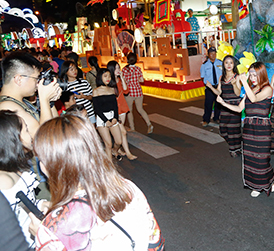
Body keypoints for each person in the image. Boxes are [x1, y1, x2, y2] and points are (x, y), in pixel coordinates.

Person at [30, 113, 165, 250]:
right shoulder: (127, 188)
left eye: (41, 158)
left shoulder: (53, 229)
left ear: (51, 164)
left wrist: (42, 236)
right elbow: (156, 243)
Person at [217, 62, 274, 198]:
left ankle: (271, 178)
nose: (252, 77)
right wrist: (223, 103)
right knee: (251, 158)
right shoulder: (250, 89)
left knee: (262, 159)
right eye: (250, 75)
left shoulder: (268, 89)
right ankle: (256, 184)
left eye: (254, 75)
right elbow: (239, 108)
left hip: (262, 128)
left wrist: (244, 82)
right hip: (249, 127)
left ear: (261, 74)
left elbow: (254, 98)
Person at [0, 110, 49, 248]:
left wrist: (41, 205)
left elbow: (24, 204)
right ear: (13, 139)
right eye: (26, 130)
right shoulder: (4, 182)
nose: (31, 135)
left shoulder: (15, 170)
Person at [0, 52, 61, 144]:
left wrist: (49, 101)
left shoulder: (21, 101)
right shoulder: (6, 107)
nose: (38, 83)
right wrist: (44, 99)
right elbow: (44, 139)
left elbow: (55, 126)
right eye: (36, 78)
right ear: (19, 79)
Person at [93, 68, 137, 160]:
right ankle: (110, 167)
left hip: (112, 116)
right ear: (100, 77)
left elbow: (115, 106)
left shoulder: (112, 89)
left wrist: (115, 118)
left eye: (109, 76)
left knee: (119, 141)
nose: (108, 78)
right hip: (102, 118)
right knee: (108, 144)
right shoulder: (96, 91)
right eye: (105, 76)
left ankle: (115, 150)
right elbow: (97, 109)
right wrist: (106, 121)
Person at [207, 55, 242, 157]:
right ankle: (237, 144)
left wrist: (235, 84)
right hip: (224, 105)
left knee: (233, 129)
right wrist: (210, 87)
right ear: (223, 64)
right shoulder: (221, 77)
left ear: (234, 64)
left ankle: (234, 149)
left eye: (231, 62)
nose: (229, 65)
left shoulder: (237, 77)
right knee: (223, 130)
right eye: (226, 62)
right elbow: (219, 91)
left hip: (234, 105)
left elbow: (238, 93)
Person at [122, 53, 153, 134]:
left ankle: (132, 128)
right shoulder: (138, 69)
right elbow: (142, 80)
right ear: (136, 60)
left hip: (129, 92)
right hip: (138, 92)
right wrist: (136, 80)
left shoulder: (125, 70)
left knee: (130, 111)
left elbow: (123, 81)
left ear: (127, 60)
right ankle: (149, 123)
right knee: (140, 109)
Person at [200, 47, 222, 126]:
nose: (213, 55)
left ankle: (216, 118)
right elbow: (202, 76)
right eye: (211, 53)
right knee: (208, 104)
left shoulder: (220, 63)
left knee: (218, 104)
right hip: (209, 88)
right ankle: (206, 120)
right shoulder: (204, 65)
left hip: (218, 87)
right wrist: (207, 84)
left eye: (214, 53)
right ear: (208, 55)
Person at [107, 60, 130, 126]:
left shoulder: (120, 80)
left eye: (118, 68)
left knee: (121, 128)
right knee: (120, 131)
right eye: (115, 68)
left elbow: (126, 91)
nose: (118, 70)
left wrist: (122, 78)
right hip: (113, 108)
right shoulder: (108, 82)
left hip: (122, 106)